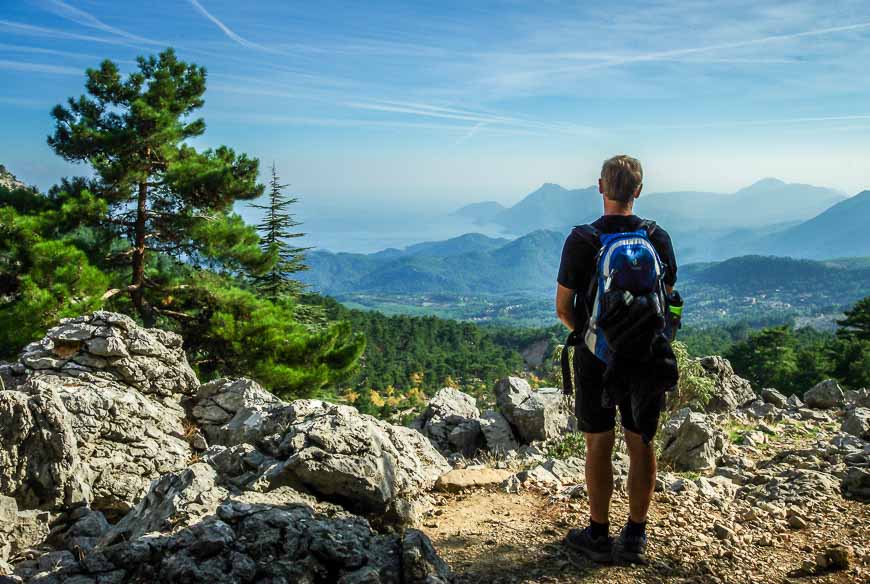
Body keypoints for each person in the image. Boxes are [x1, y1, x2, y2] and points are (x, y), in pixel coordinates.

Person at [555, 154, 678, 565]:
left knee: (599, 444)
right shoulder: (657, 237)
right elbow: (665, 297)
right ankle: (636, 536)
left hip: (597, 357)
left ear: (600, 187)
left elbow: (563, 307)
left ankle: (598, 534)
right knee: (641, 442)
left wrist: (591, 338)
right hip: (646, 356)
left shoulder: (583, 240)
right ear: (639, 191)